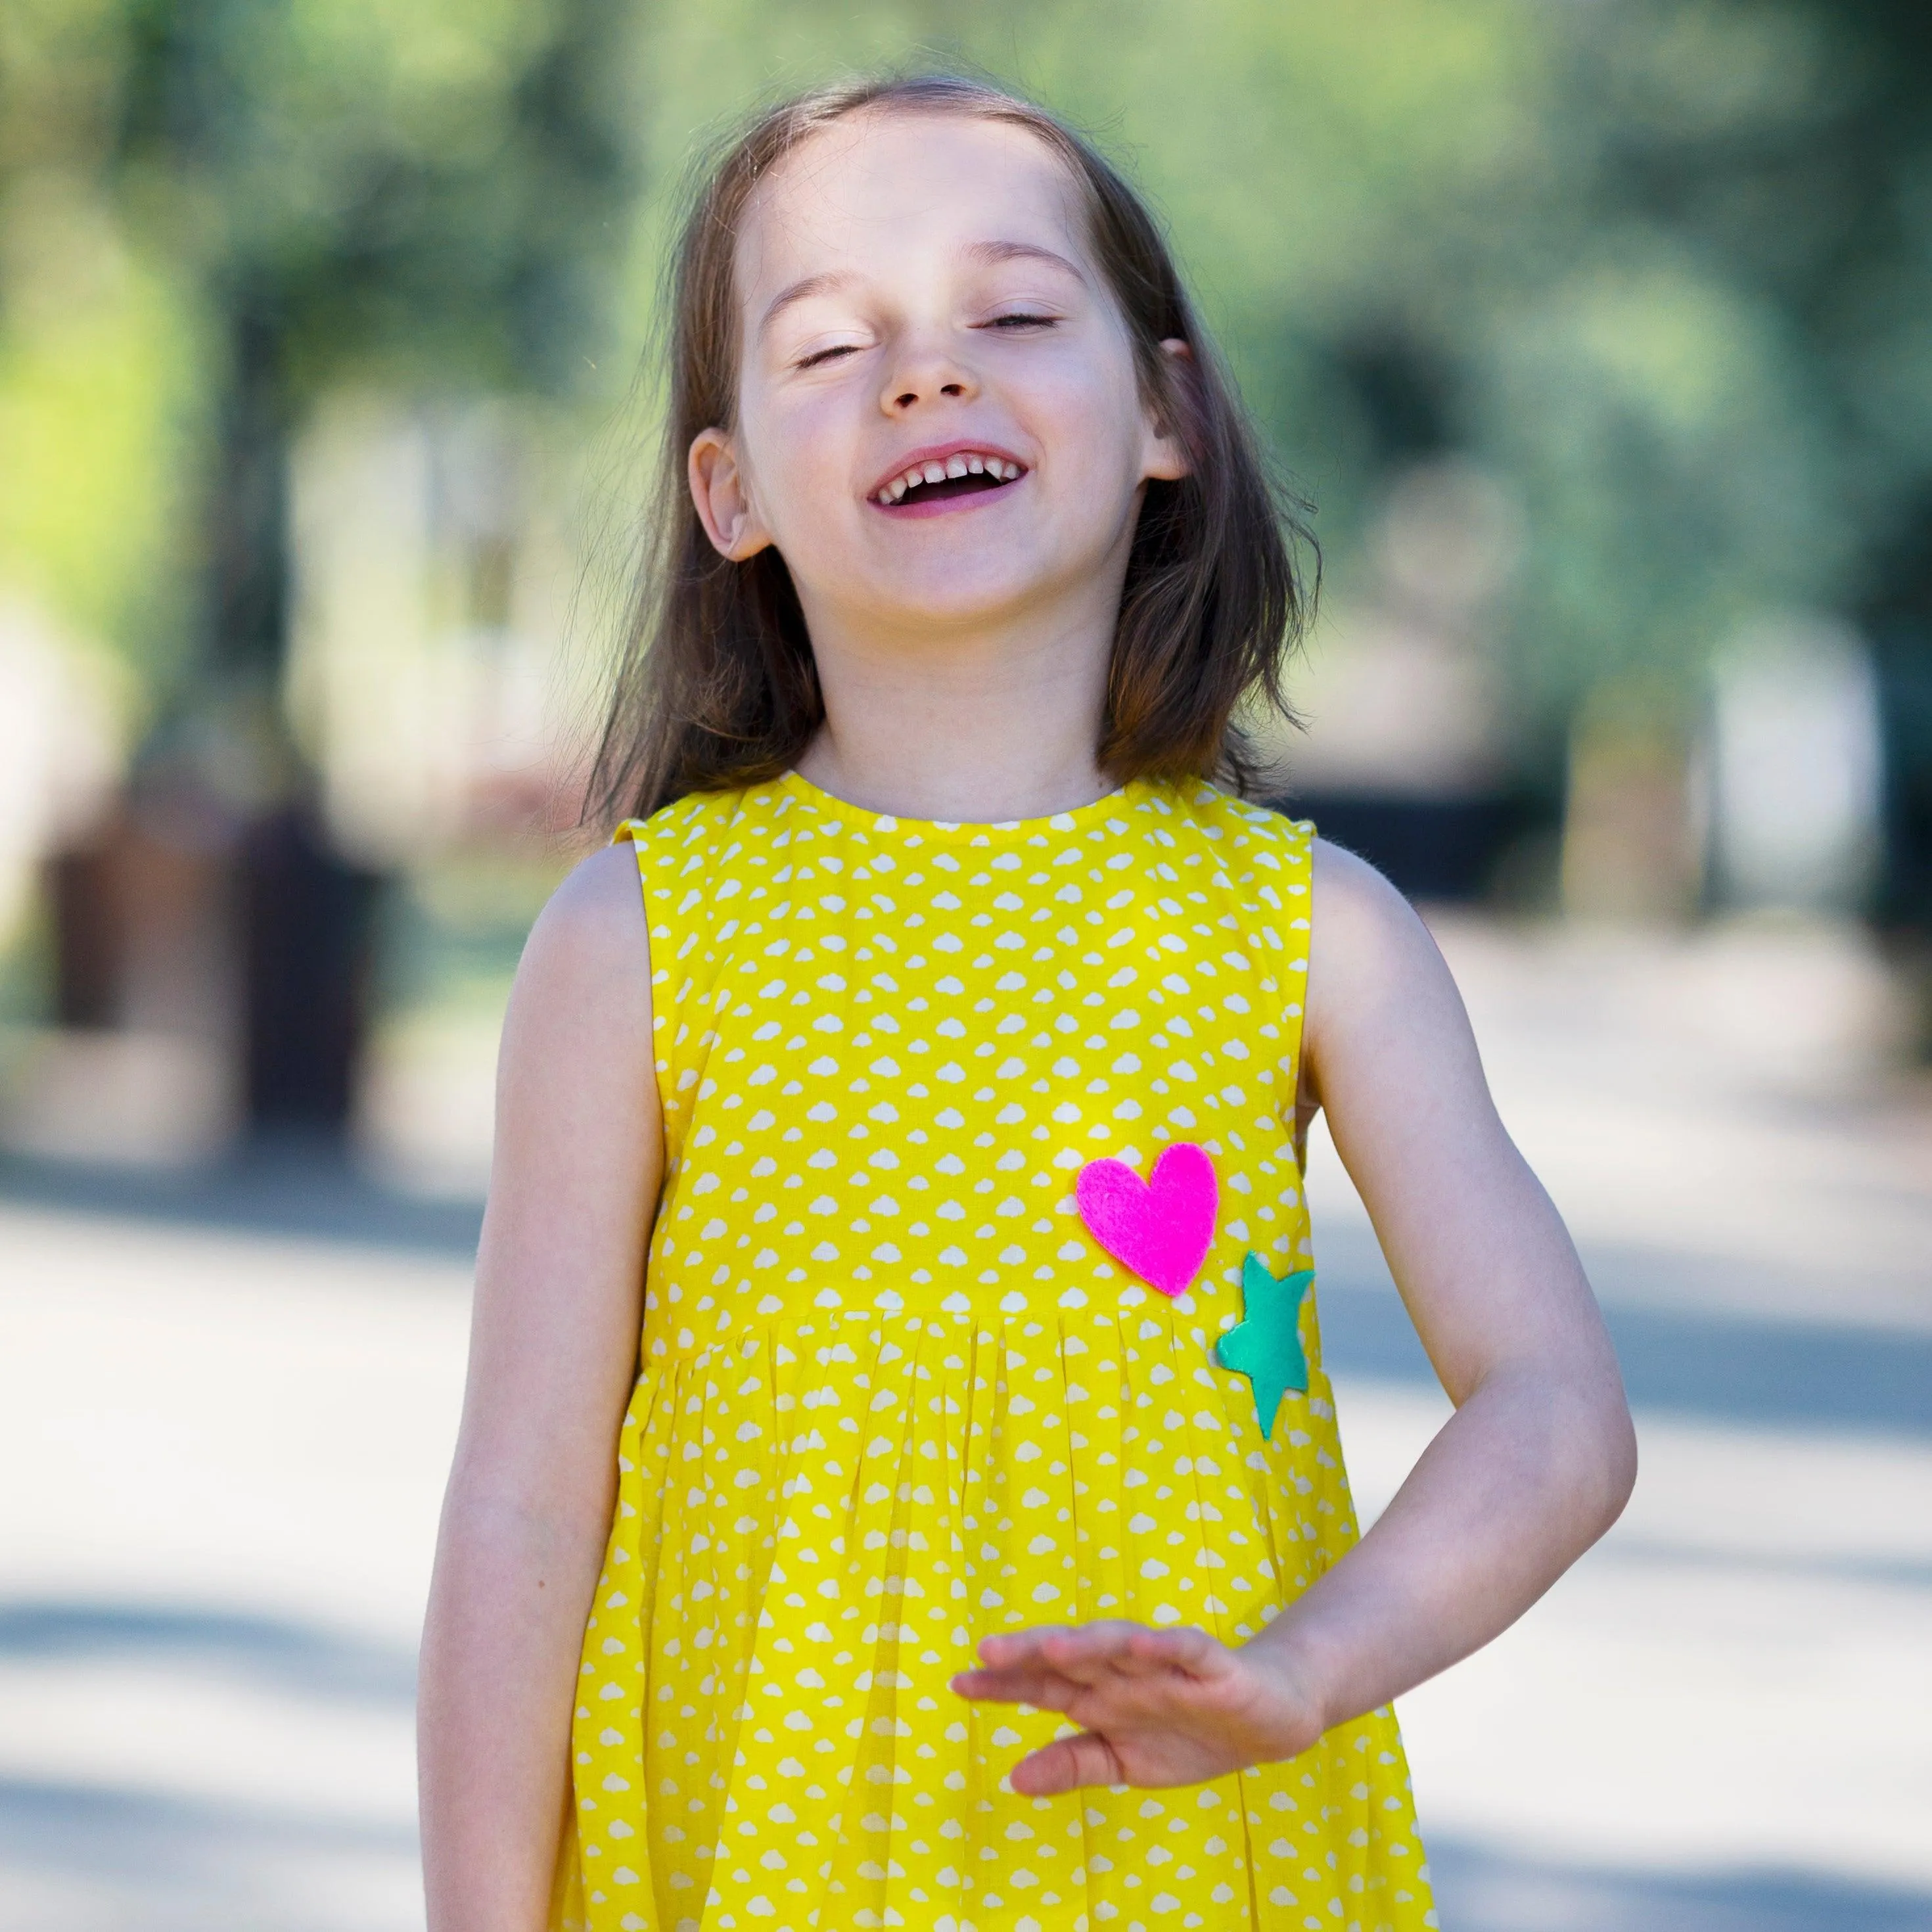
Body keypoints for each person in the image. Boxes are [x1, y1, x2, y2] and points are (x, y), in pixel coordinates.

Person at [417, 73, 1638, 1932]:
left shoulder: (1308, 930)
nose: (926, 375)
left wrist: (1312, 1663)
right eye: (833, 343)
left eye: (1007, 314)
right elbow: (519, 1505)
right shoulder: (637, 939)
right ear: (727, 488)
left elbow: (1552, 1408)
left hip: (1190, 1875)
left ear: (1160, 412)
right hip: (759, 1870)